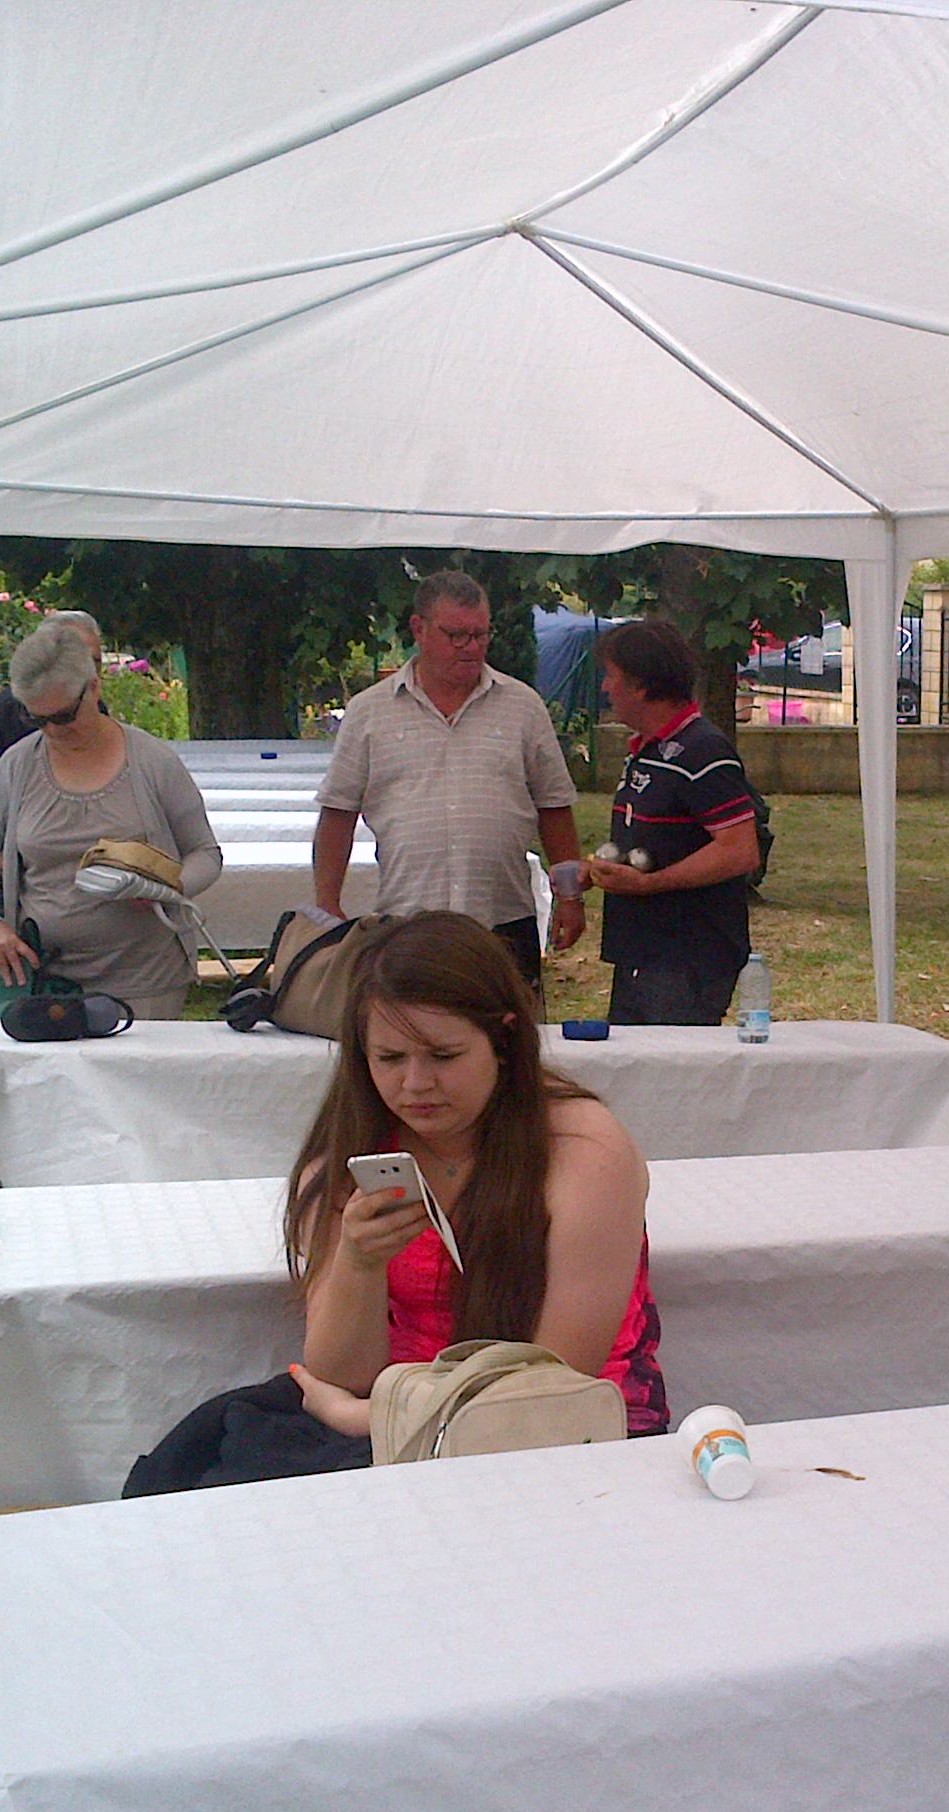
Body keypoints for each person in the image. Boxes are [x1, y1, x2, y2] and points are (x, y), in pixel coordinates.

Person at [282, 911, 668, 1442]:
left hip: (566, 1430)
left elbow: (556, 1379)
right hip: (402, 1415)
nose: (415, 1084)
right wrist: (358, 1262)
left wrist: (367, 1417)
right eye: (389, 1058)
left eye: (444, 1056)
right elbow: (340, 1373)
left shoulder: (584, 1150)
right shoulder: (355, 1147)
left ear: (504, 1041)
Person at [312, 570, 584, 992]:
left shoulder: (523, 707)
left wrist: (569, 896)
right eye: (456, 635)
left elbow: (554, 806)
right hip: (407, 920)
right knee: (414, 1040)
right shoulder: (369, 712)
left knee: (509, 1048)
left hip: (503, 920)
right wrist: (327, 903)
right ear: (419, 629)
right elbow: (338, 813)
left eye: (480, 634)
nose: (471, 648)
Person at [0, 613, 220, 1019]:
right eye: (36, 719)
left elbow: (206, 854)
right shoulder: (16, 767)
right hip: (45, 978)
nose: (52, 731)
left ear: (93, 687)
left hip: (145, 979)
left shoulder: (153, 761)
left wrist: (170, 886)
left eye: (63, 717)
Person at [585, 619, 759, 1026]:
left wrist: (649, 884)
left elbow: (739, 850)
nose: (605, 688)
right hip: (643, 951)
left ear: (641, 685)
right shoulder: (650, 750)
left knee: (670, 1082)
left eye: (611, 677)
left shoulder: (703, 752)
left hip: (686, 958)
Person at [0, 610, 106, 835]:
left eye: (95, 662)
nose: (89, 672)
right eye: (40, 719)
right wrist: (3, 863)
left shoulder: (99, 711)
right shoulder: (2, 712)